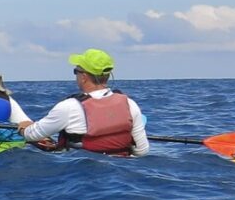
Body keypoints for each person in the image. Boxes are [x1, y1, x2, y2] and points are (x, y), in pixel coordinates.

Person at [17, 48, 149, 157]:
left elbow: (32, 135)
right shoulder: (130, 104)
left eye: (76, 71)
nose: (76, 75)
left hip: (82, 173)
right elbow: (142, 151)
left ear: (84, 77)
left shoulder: (69, 107)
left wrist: (24, 127)